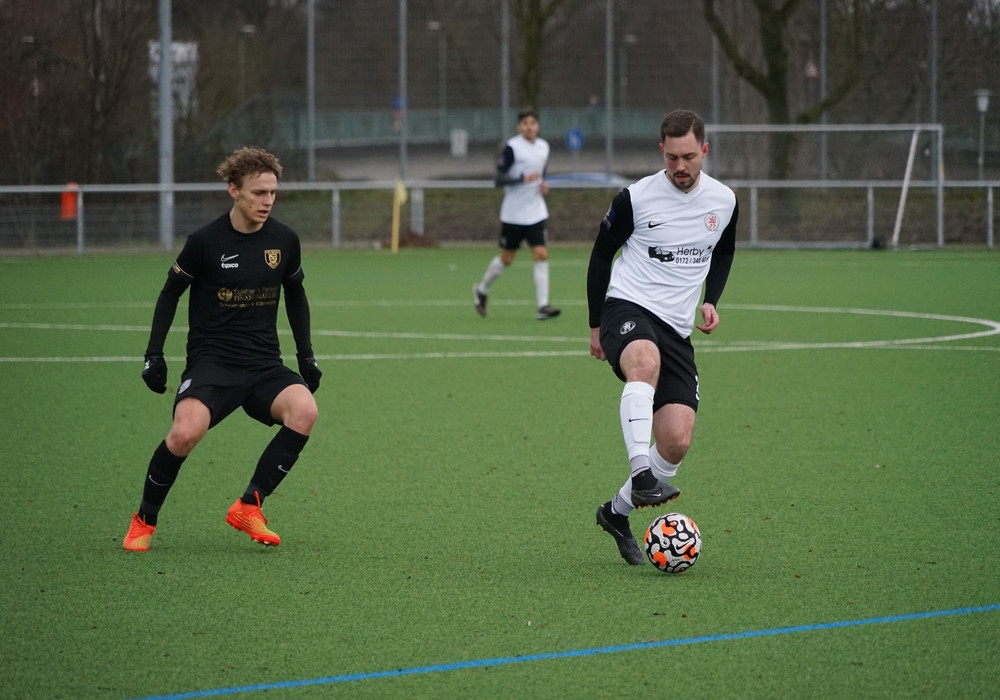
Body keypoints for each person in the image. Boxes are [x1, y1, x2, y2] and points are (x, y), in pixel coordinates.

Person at [122, 147, 322, 551]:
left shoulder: (284, 240)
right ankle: (144, 520)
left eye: (273, 193)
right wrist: (153, 354)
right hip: (212, 363)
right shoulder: (205, 241)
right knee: (184, 433)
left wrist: (306, 356)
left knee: (305, 411)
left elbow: (296, 295)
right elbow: (170, 293)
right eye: (258, 193)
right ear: (234, 190)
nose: (267, 201)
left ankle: (249, 505)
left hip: (264, 363)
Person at [587, 110, 738, 565]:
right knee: (644, 361)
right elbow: (601, 255)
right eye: (672, 157)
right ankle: (641, 474)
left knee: (676, 440)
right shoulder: (635, 199)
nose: (680, 166)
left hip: (676, 327)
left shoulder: (724, 200)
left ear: (704, 150)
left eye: (688, 157)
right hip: (627, 307)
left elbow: (724, 249)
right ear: (661, 151)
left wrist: (712, 299)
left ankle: (615, 513)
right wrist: (595, 325)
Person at [473, 109, 561, 320]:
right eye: (525, 123)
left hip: (536, 211)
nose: (529, 127)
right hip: (513, 213)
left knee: (541, 253)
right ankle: (482, 289)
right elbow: (499, 179)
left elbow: (541, 173)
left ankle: (543, 306)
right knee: (507, 258)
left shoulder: (543, 146)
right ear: (519, 127)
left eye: (533, 123)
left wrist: (543, 184)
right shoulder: (512, 148)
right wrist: (523, 179)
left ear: (537, 126)